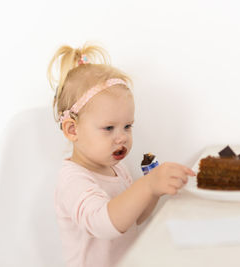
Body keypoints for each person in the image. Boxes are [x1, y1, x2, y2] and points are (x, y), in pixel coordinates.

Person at [47, 43, 196, 267]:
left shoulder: (116, 169)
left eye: (127, 126)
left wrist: (153, 190)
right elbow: (103, 224)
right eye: (109, 128)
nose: (122, 138)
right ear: (72, 130)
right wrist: (146, 186)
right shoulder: (73, 180)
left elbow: (134, 218)